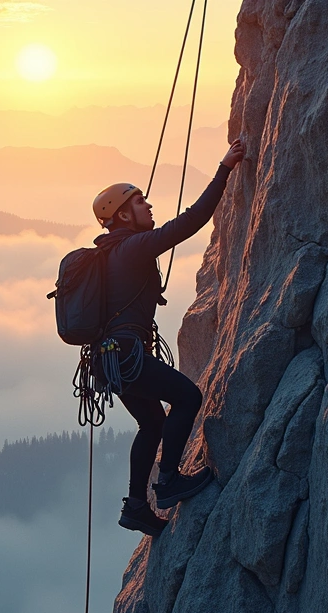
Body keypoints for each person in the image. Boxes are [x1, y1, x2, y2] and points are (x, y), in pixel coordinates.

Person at [91, 138, 245, 536]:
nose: (149, 206)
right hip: (127, 355)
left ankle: (136, 506)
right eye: (140, 203)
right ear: (124, 216)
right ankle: (168, 482)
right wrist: (224, 168)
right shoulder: (133, 247)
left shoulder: (108, 252)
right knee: (188, 397)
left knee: (151, 423)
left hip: (108, 361)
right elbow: (191, 221)